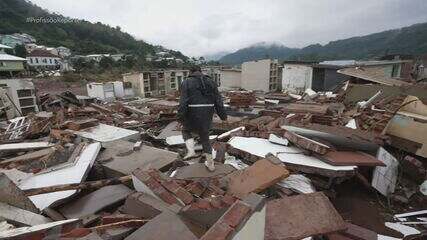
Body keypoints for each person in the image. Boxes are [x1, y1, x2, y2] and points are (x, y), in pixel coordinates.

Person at [177, 66, 227, 171]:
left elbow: (183, 102)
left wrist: (180, 117)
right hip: (207, 113)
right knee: (205, 138)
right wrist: (223, 116)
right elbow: (218, 101)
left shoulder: (186, 82)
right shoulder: (211, 82)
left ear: (190, 72)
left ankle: (191, 151)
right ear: (200, 71)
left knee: (186, 130)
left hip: (192, 112)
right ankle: (210, 164)